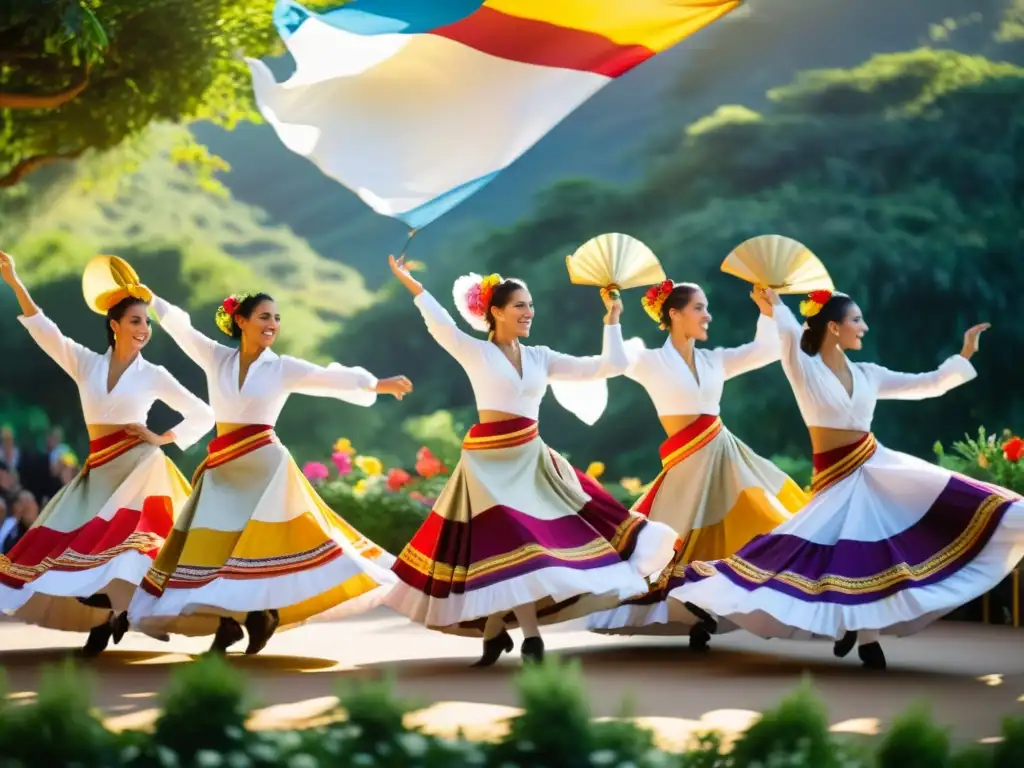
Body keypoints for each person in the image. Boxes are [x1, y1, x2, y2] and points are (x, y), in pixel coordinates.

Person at [669, 289, 1024, 669]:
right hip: (836, 481)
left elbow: (929, 383)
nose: (864, 327)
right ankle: (717, 600)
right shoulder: (804, 367)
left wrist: (965, 352)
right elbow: (787, 333)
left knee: (972, 514)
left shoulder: (869, 374)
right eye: (856, 320)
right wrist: (774, 304)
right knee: (808, 560)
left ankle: (864, 635)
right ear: (834, 328)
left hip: (875, 470)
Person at [383, 255, 677, 666]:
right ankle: (532, 638)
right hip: (488, 466)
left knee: (528, 547)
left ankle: (494, 631)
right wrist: (412, 284)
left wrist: (612, 319)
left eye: (530, 305)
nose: (528, 312)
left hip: (531, 461)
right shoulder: (475, 353)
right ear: (496, 312)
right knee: (517, 544)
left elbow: (609, 366)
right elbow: (440, 324)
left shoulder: (540, 357)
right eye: (519, 305)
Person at [128, 288, 413, 654]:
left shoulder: (282, 367)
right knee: (215, 549)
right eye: (264, 317)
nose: (272, 324)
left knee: (258, 547)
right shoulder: (217, 358)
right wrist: (151, 298)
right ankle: (233, 623)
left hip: (265, 468)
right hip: (224, 470)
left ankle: (256, 616)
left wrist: (377, 385)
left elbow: (326, 378)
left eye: (276, 318)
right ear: (241, 321)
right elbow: (182, 329)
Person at [0, 250, 215, 655]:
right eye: (135, 321)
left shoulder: (153, 375)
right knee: (76, 545)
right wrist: (14, 282)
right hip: (99, 469)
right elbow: (46, 332)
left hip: (138, 468)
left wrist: (160, 437)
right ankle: (111, 613)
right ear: (114, 325)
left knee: (131, 547)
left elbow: (203, 413)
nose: (144, 329)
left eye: (147, 322)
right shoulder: (86, 364)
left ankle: (119, 613)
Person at [586, 280, 808, 648]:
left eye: (706, 308)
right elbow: (614, 363)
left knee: (764, 514)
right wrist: (612, 319)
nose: (708, 316)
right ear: (674, 313)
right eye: (699, 308)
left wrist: (768, 309)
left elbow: (766, 349)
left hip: (725, 457)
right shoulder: (651, 361)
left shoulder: (714, 360)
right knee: (679, 542)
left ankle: (761, 596)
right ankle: (695, 609)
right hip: (687, 466)